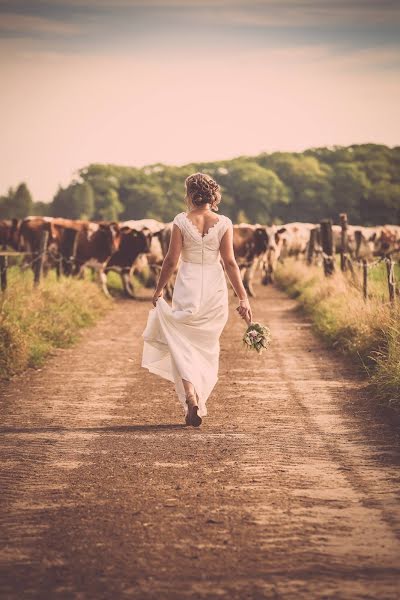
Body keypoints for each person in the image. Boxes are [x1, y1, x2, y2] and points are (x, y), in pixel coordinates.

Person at [141, 172, 252, 427]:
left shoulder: (181, 220)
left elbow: (171, 260)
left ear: (190, 194)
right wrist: (243, 297)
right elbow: (230, 263)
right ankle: (197, 397)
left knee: (182, 344)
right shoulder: (224, 222)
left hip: (188, 285)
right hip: (214, 289)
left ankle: (190, 396)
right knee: (207, 345)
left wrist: (159, 290)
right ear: (213, 195)